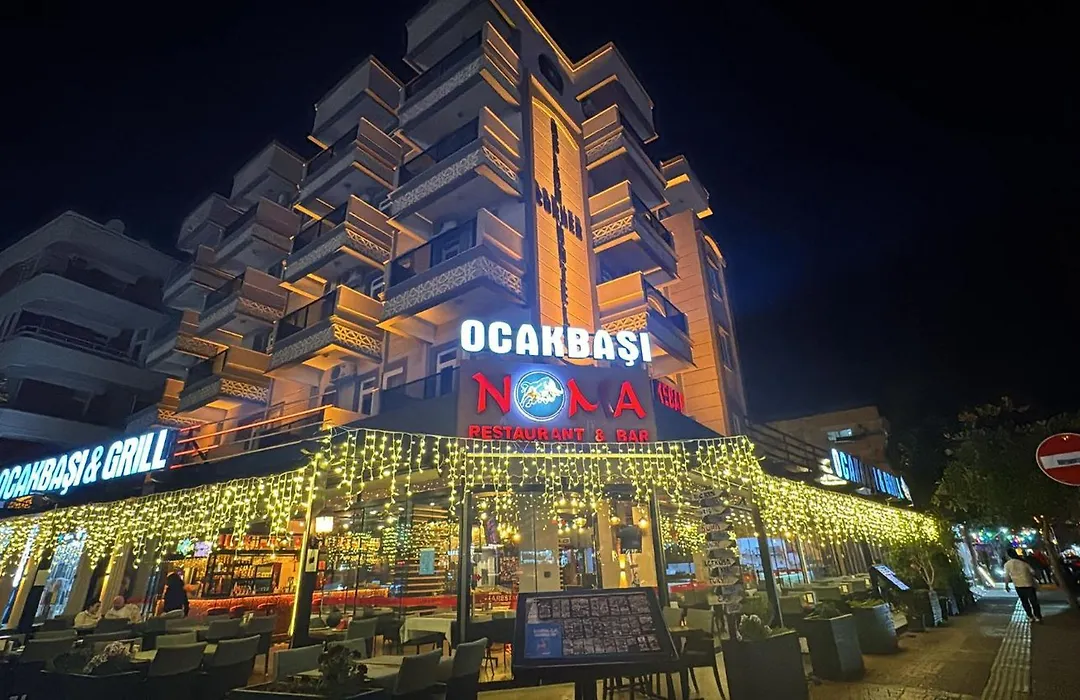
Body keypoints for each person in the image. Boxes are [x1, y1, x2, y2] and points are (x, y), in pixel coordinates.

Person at [1004, 550, 1042, 622]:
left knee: (1024, 601)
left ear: (1008, 555)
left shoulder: (1007, 564)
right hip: (1029, 583)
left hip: (1018, 585)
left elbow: (1007, 576)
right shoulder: (1023, 562)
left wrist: (1006, 585)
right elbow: (1032, 572)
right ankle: (1038, 616)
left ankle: (1030, 616)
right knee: (1034, 601)